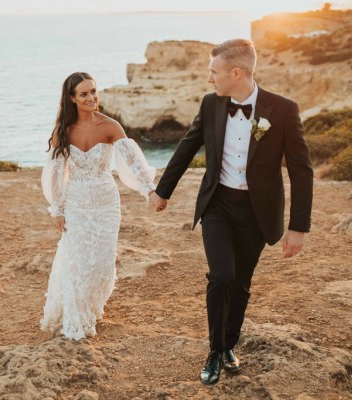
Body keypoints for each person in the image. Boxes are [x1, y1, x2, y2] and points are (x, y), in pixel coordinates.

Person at [149, 39, 313, 385]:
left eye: (214, 71)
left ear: (236, 72)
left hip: (257, 211)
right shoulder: (211, 104)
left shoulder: (282, 109)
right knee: (221, 276)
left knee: (240, 283)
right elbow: (187, 145)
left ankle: (228, 346)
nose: (210, 79)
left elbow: (301, 170)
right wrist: (162, 191)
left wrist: (298, 227)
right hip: (218, 205)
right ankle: (213, 350)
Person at [41, 72, 156, 340]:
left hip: (106, 204)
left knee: (101, 264)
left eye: (93, 91)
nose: (91, 97)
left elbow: (134, 163)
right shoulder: (63, 131)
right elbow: (57, 172)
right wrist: (57, 208)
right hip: (76, 204)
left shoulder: (110, 126)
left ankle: (91, 307)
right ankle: (76, 318)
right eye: (84, 94)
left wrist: (149, 190)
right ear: (72, 98)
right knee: (77, 261)